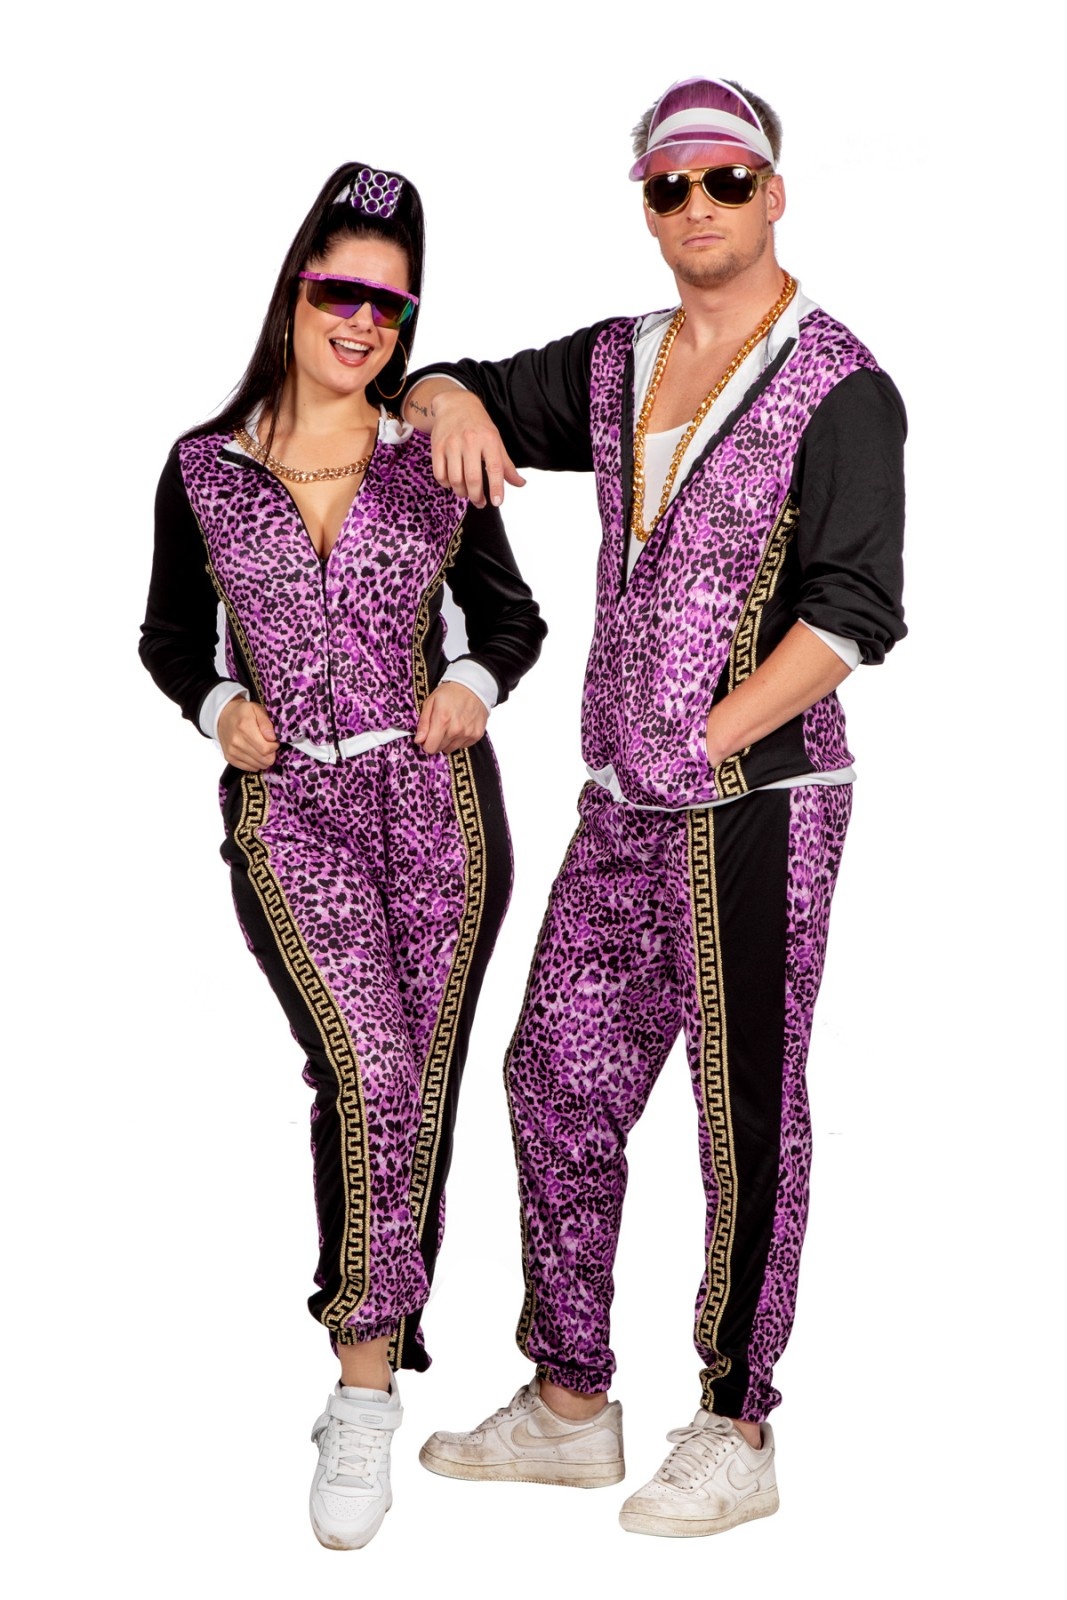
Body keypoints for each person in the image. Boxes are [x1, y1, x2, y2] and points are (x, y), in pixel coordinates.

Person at [402, 78, 906, 1538]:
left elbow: (854, 615)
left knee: (742, 1111)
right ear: (646, 204)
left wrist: (711, 733)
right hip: (622, 804)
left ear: (774, 193)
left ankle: (736, 1425)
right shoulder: (624, 362)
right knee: (554, 1074)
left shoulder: (841, 385)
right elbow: (456, 383)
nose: (698, 206)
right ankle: (571, 1403)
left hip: (760, 802)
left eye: (726, 179)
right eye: (670, 184)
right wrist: (447, 401)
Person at [139, 162, 546, 1551]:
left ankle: (375, 1358)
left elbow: (511, 620)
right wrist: (217, 706)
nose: (362, 321)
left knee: (416, 1085)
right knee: (366, 1068)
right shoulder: (204, 469)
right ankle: (363, 1384)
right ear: (295, 292)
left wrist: (472, 687)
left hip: (438, 811)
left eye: (390, 304)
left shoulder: (434, 455)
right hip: (292, 813)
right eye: (340, 291)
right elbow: (167, 636)